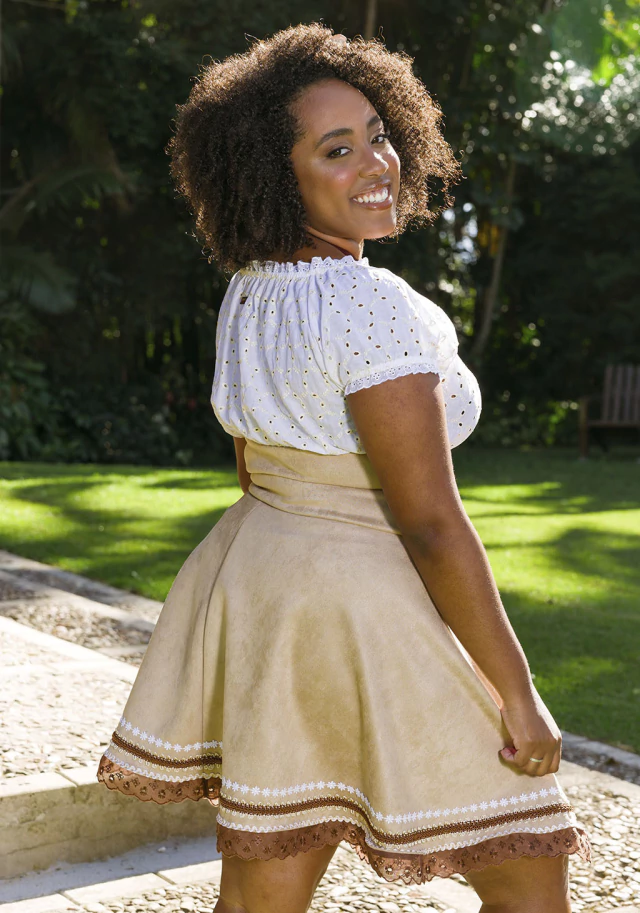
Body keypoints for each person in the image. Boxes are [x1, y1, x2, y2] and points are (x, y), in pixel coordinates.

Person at [97, 22, 591, 913]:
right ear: (274, 175)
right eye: (336, 149)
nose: (377, 164)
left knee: (267, 874)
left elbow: (253, 467)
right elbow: (430, 521)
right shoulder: (367, 303)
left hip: (261, 578)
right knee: (526, 861)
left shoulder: (252, 289)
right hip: (359, 593)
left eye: (379, 135)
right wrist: (517, 694)